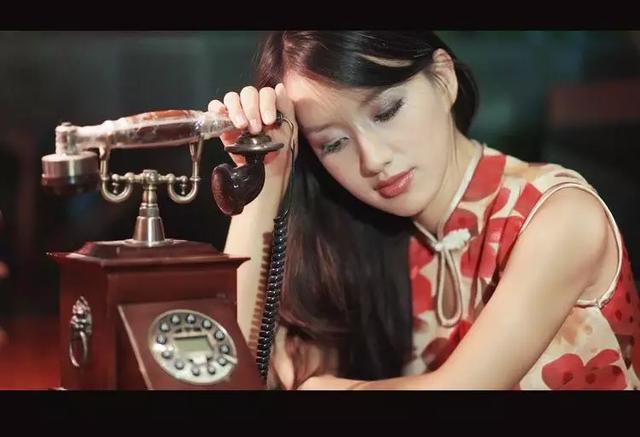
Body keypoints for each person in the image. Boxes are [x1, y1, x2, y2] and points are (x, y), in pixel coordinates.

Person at [210, 31, 639, 390]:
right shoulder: (365, 239)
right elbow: (225, 370)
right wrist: (263, 172)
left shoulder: (559, 217)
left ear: (444, 78)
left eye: (387, 111)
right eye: (333, 143)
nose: (373, 159)